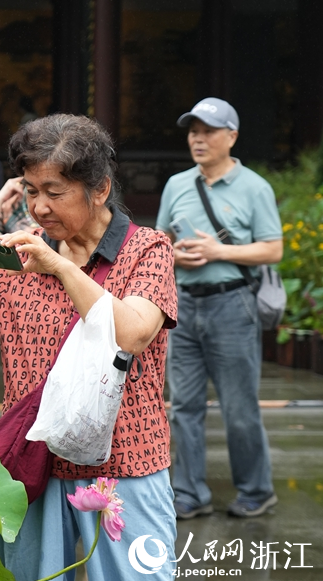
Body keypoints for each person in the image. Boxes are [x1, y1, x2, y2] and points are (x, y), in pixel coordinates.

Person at [0, 114, 179, 581]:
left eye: (54, 192)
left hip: (123, 465)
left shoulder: (147, 249)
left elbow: (132, 333)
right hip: (33, 464)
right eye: (31, 190)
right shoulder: (24, 249)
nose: (39, 207)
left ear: (99, 189)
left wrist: (60, 266)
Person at [155, 98, 283, 519]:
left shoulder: (254, 187)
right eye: (193, 130)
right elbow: (158, 243)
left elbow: (272, 248)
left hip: (233, 306)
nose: (198, 138)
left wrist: (218, 251)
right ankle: (189, 493)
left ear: (232, 136)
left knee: (240, 407)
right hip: (184, 308)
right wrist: (174, 255)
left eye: (208, 130)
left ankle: (256, 489)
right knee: (184, 406)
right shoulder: (176, 184)